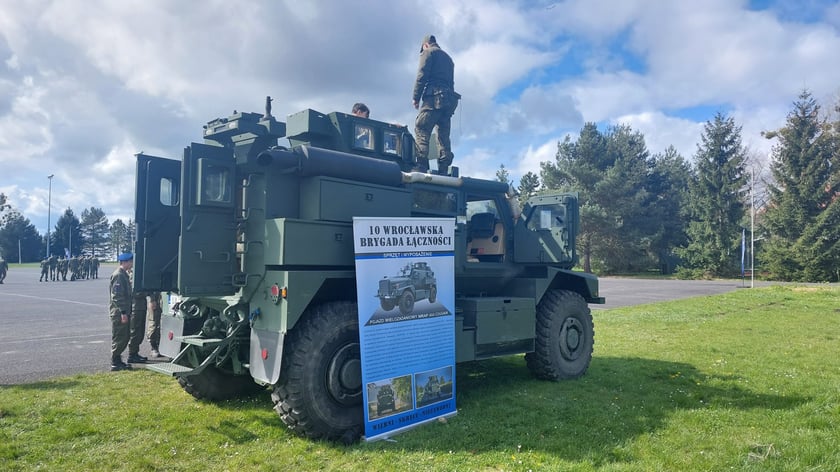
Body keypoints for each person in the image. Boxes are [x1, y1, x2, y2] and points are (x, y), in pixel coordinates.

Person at [412, 34, 460, 175]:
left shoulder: (428, 53)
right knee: (443, 135)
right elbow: (451, 83)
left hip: (434, 98)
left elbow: (422, 75)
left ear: (425, 45)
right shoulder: (449, 59)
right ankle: (444, 169)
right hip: (449, 100)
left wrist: (416, 97)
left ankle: (421, 165)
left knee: (421, 127)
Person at [109, 252, 134, 371]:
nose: (132, 263)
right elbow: (117, 296)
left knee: (124, 336)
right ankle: (115, 361)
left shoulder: (124, 274)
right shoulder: (119, 275)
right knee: (119, 336)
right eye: (130, 261)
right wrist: (123, 312)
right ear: (124, 262)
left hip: (123, 311)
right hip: (119, 312)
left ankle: (118, 359)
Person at [147, 292, 165, 358]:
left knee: (165, 324)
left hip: (166, 297)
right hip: (156, 299)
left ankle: (162, 347)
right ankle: (154, 347)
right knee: (154, 324)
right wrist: (152, 299)